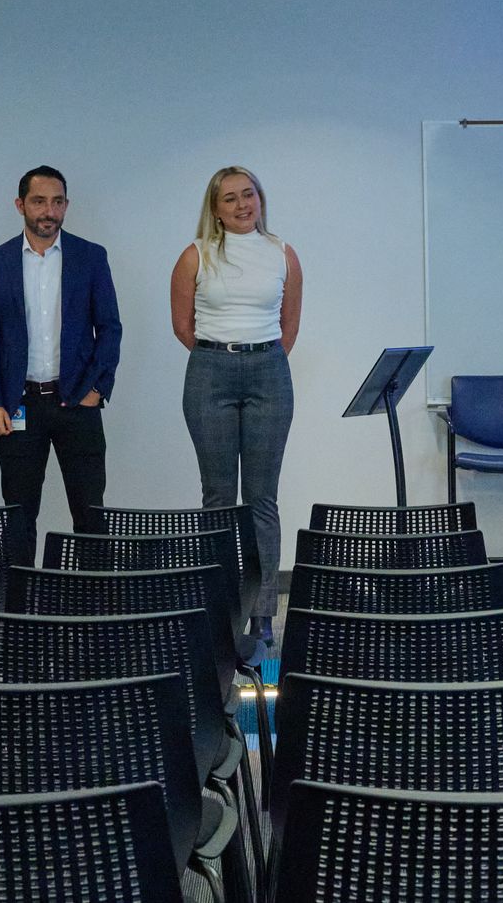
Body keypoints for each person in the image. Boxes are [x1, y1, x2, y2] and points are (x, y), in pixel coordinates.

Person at [170, 166, 303, 645]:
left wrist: (257, 358)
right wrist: (224, 357)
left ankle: (264, 614)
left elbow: (289, 323)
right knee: (219, 498)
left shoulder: (283, 254)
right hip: (210, 373)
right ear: (216, 210)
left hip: (268, 370)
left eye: (249, 195)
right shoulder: (195, 256)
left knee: (262, 500)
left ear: (260, 199)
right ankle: (222, 608)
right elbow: (183, 324)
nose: (243, 205)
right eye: (230, 199)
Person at [0, 166, 123, 567]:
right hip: (17, 405)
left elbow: (110, 329)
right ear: (20, 205)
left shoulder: (90, 257)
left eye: (57, 202)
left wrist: (97, 390)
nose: (49, 211)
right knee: (18, 516)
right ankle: (20, 613)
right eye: (39, 201)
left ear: (67, 206)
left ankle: (97, 611)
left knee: (91, 514)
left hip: (77, 403)